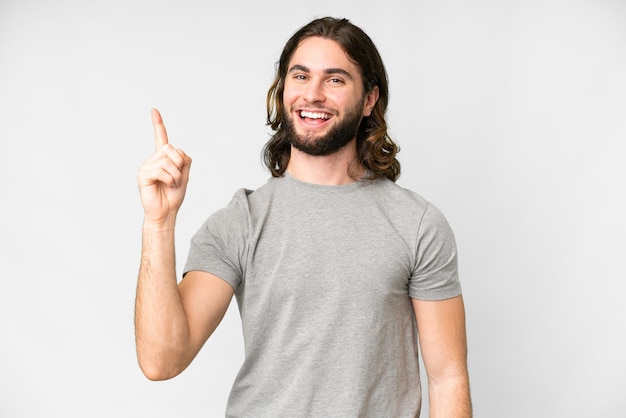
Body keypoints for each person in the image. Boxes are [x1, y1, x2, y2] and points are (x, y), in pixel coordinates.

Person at [135, 16, 471, 417]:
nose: (312, 94)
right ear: (282, 91)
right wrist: (159, 223)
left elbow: (448, 376)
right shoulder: (240, 222)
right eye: (300, 76)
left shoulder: (417, 223)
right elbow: (162, 362)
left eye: (335, 79)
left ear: (369, 101)